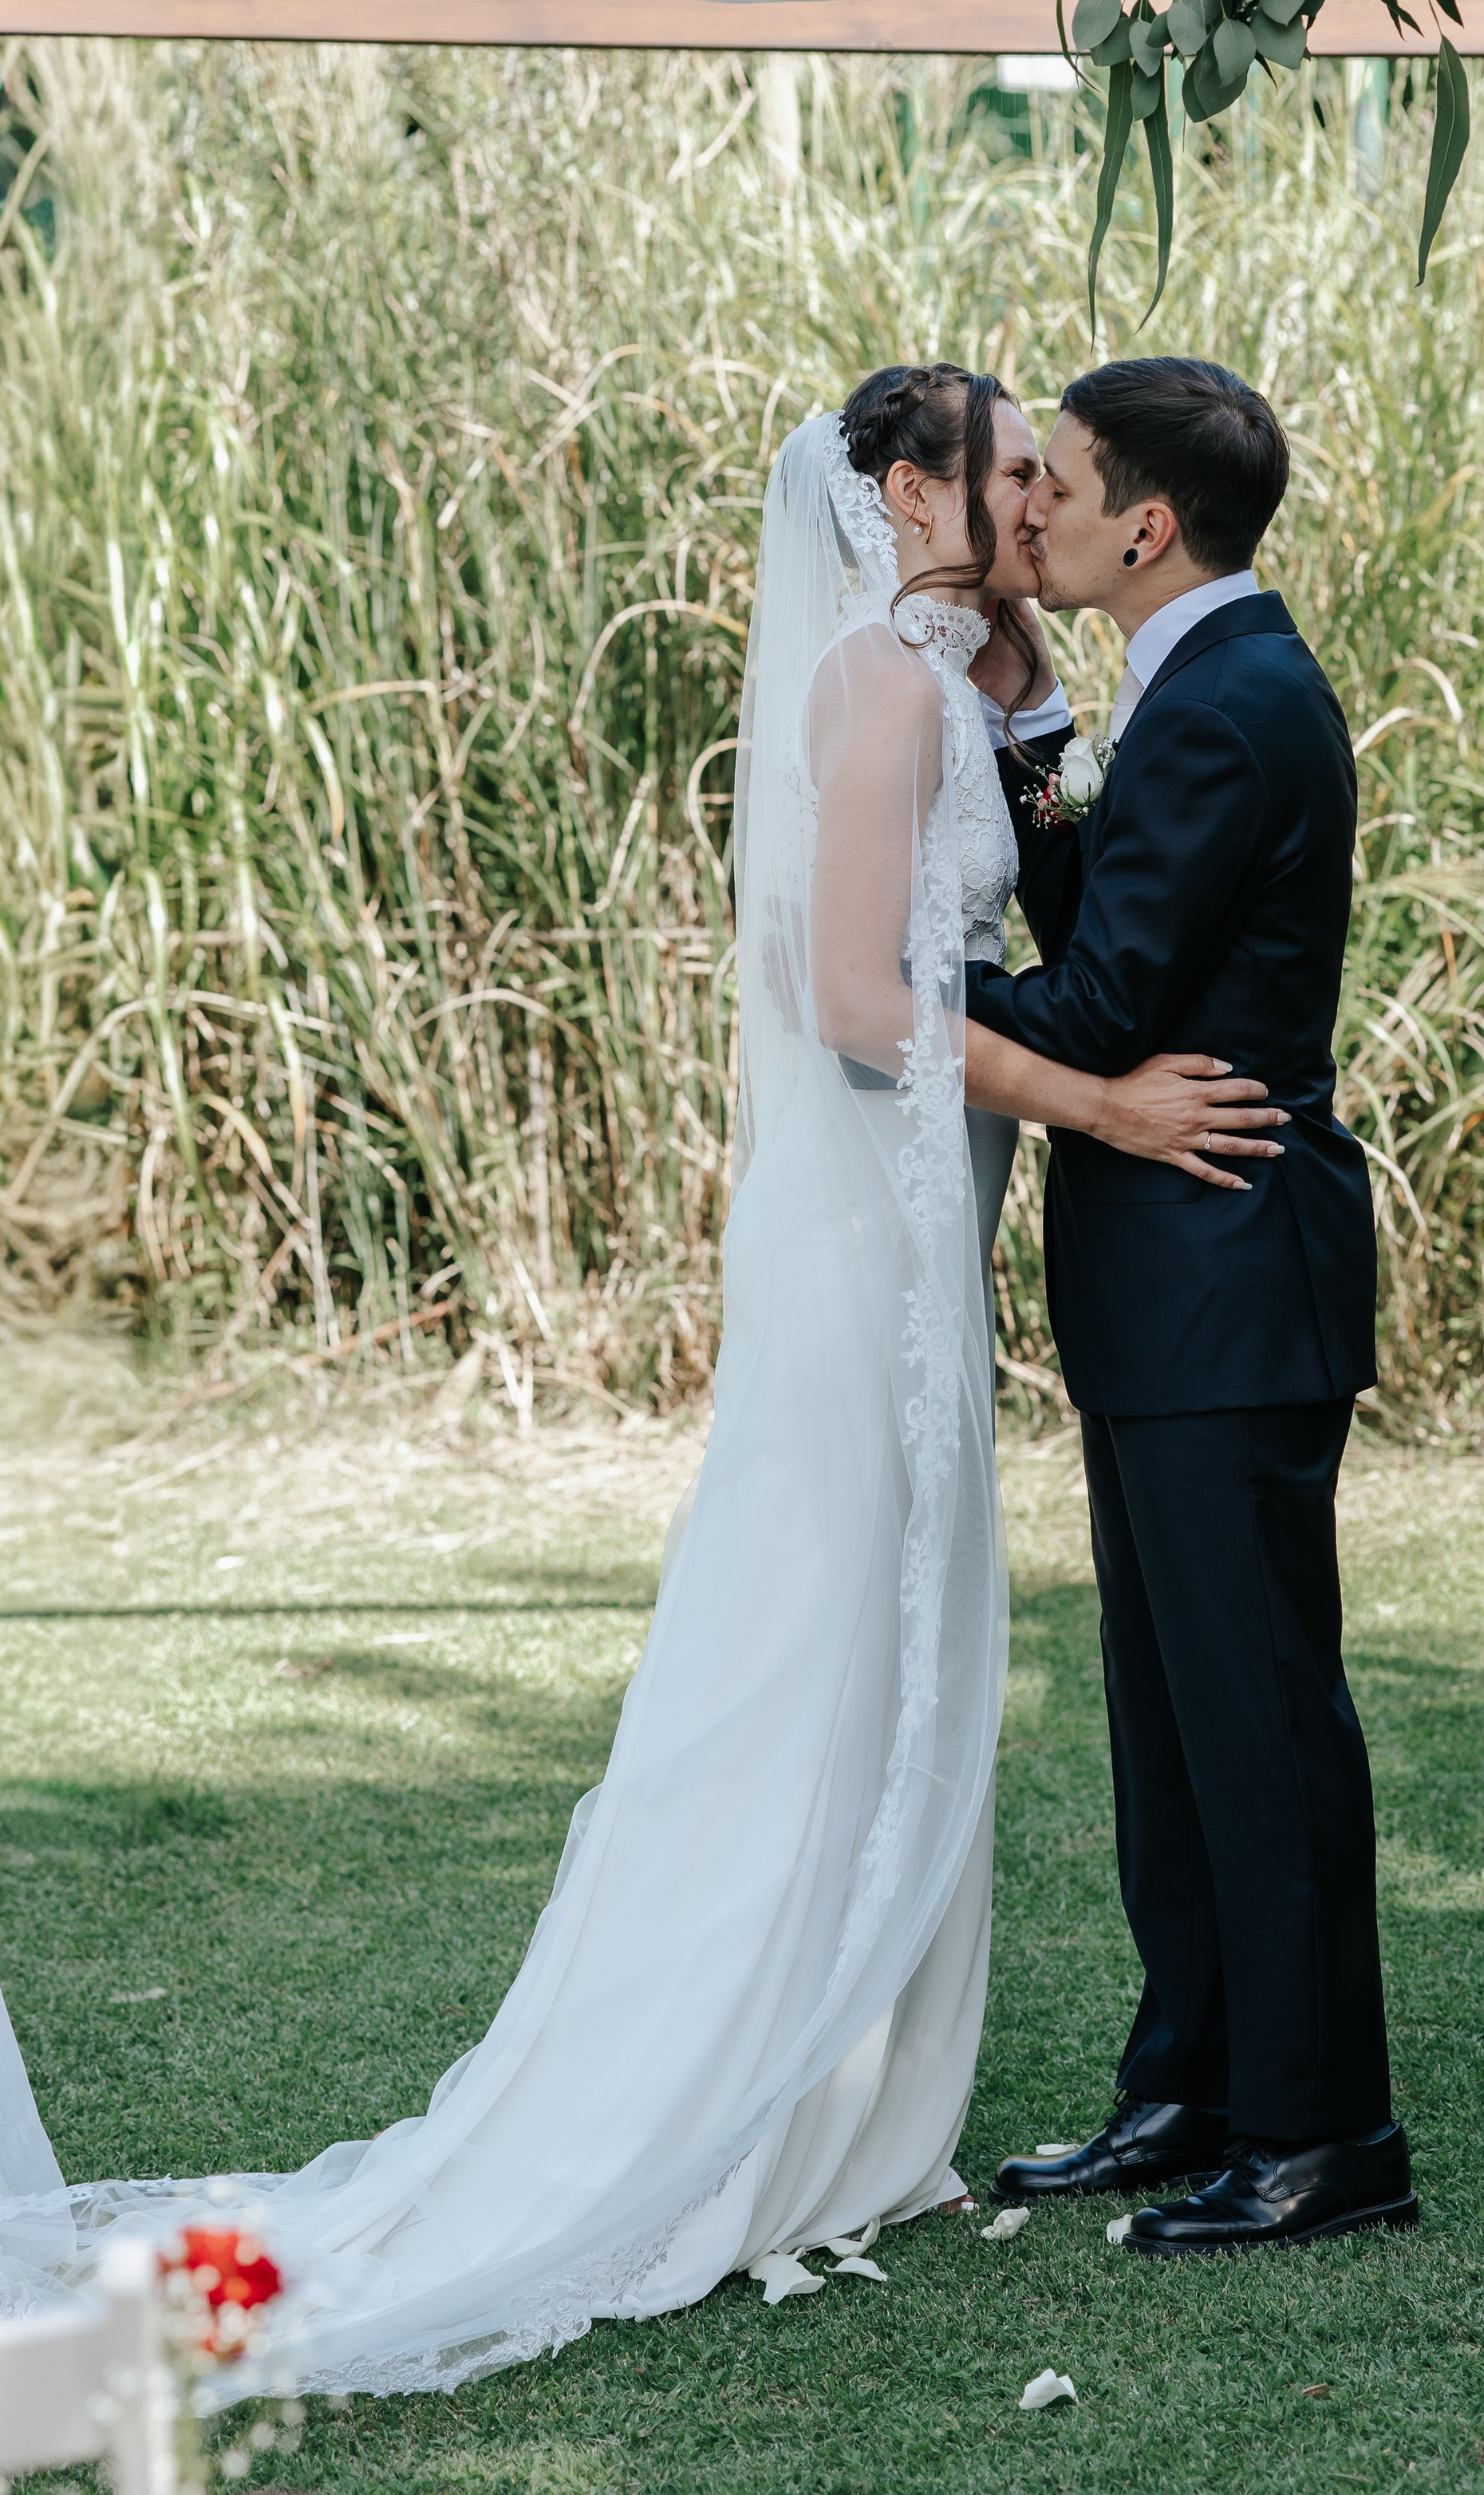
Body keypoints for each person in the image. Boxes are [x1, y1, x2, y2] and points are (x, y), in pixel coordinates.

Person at [0, 363, 1284, 2386]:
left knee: (910, 1629)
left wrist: (1029, 704)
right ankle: (727, 2078)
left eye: (1053, 470)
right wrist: (1099, 1110)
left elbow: (1011, 893)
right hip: (864, 1229)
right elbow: (846, 992)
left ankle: (864, 2106)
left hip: (926, 1215)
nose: (1037, 493)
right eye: (1005, 466)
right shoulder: (870, 682)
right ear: (899, 489)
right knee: (812, 1629)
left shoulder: (956, 680)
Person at [968, 357, 1416, 2254]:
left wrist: (887, 987)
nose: (1032, 515)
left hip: (1225, 1272)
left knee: (1255, 1721)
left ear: (1144, 523)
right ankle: (1191, 2083)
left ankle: (1322, 2138)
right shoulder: (1192, 685)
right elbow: (1114, 935)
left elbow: (1089, 1013)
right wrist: (1026, 746)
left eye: (1056, 486)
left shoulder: (1233, 705)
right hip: (1175, 1287)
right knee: (1165, 1715)